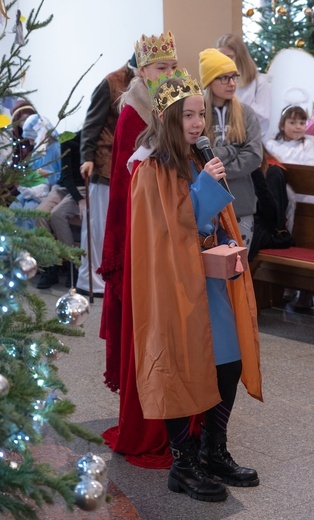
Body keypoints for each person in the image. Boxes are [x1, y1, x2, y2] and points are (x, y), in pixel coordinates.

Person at [126, 70, 262, 501]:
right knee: (180, 368)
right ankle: (182, 465)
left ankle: (213, 449)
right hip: (176, 287)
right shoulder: (150, 167)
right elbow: (167, 231)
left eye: (200, 114)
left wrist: (226, 244)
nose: (197, 123)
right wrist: (206, 188)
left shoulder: (196, 157)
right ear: (167, 118)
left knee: (228, 363)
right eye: (187, 115)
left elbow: (210, 221)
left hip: (211, 281)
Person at [99, 30, 179, 470]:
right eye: (159, 68)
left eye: (171, 67)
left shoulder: (175, 104)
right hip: (143, 233)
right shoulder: (133, 112)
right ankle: (147, 419)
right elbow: (126, 184)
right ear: (142, 72)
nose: (167, 74)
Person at [76, 54, 137, 297]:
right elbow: (91, 123)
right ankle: (92, 278)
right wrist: (87, 157)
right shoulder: (111, 82)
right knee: (99, 226)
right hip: (105, 165)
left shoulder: (153, 85)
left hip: (131, 166)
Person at [266, 105, 314, 308]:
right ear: (282, 124)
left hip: (307, 203)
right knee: (287, 244)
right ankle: (285, 286)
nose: (298, 127)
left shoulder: (311, 144)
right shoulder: (271, 145)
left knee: (307, 245)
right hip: (282, 204)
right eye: (292, 122)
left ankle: (307, 291)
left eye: (302, 122)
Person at [198, 48, 263, 248]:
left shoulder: (246, 113)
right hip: (208, 207)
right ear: (209, 82)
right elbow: (197, 156)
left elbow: (253, 156)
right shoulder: (197, 113)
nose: (232, 83)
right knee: (214, 273)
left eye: (234, 77)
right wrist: (232, 150)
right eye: (224, 78)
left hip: (241, 205)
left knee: (238, 269)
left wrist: (218, 169)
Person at [35, 131, 85, 289]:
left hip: (84, 188)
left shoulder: (100, 142)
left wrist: (80, 199)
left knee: (57, 214)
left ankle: (73, 267)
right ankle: (50, 268)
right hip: (63, 187)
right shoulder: (68, 139)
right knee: (40, 213)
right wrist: (79, 199)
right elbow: (67, 175)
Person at [9, 114, 61, 230]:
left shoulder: (58, 149)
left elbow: (62, 177)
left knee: (28, 213)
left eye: (32, 139)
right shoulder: (37, 151)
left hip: (47, 192)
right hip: (33, 189)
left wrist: (47, 174)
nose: (31, 143)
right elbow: (32, 171)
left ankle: (27, 244)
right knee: (13, 207)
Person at [216, 33, 271, 140]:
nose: (223, 62)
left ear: (240, 56)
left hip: (249, 139)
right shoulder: (217, 81)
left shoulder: (259, 82)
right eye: (220, 58)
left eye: (229, 57)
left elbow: (263, 119)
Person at [249, 145, 294, 261]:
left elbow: (273, 215)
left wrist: (257, 177)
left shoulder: (273, 171)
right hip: (249, 222)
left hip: (267, 228)